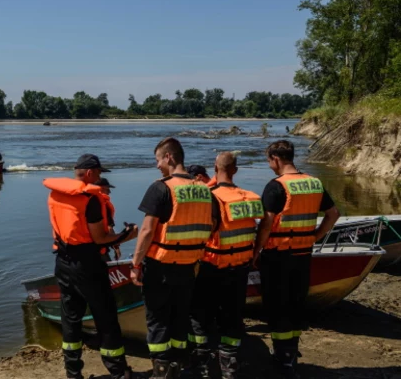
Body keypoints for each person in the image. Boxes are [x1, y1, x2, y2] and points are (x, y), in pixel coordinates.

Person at [43, 154, 138, 379]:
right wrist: (128, 235)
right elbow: (100, 238)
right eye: (98, 173)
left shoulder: (55, 194)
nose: (99, 177)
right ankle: (119, 372)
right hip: (87, 265)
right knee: (106, 318)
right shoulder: (90, 199)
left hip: (63, 262)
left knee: (71, 318)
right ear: (89, 173)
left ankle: (73, 373)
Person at [253, 140, 339, 378]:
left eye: (269, 160)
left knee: (277, 305)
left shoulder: (276, 186)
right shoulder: (314, 183)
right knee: (295, 303)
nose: (269, 164)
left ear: (275, 159)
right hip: (303, 254)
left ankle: (283, 358)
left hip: (278, 256)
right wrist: (314, 237)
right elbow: (333, 214)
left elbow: (267, 222)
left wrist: (256, 250)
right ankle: (291, 352)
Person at [131, 137, 216, 379]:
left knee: (158, 321)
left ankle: (161, 372)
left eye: (158, 159)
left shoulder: (161, 187)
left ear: (168, 157)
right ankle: (180, 367)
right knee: (180, 319)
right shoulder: (204, 190)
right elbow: (209, 226)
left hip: (161, 267)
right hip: (189, 267)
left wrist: (136, 264)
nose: (157, 165)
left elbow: (147, 231)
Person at [189, 152, 263, 379]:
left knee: (200, 316)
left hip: (211, 266)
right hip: (240, 266)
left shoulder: (210, 197)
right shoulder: (250, 197)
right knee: (232, 316)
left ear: (214, 168)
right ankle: (229, 365)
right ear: (236, 170)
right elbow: (262, 229)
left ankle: (201, 363)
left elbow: (203, 232)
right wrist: (255, 253)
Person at [96, 178, 120, 261]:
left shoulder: (88, 201)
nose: (109, 192)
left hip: (85, 247)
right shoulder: (104, 204)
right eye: (107, 189)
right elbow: (109, 228)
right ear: (101, 188)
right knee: (107, 270)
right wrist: (116, 247)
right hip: (100, 248)